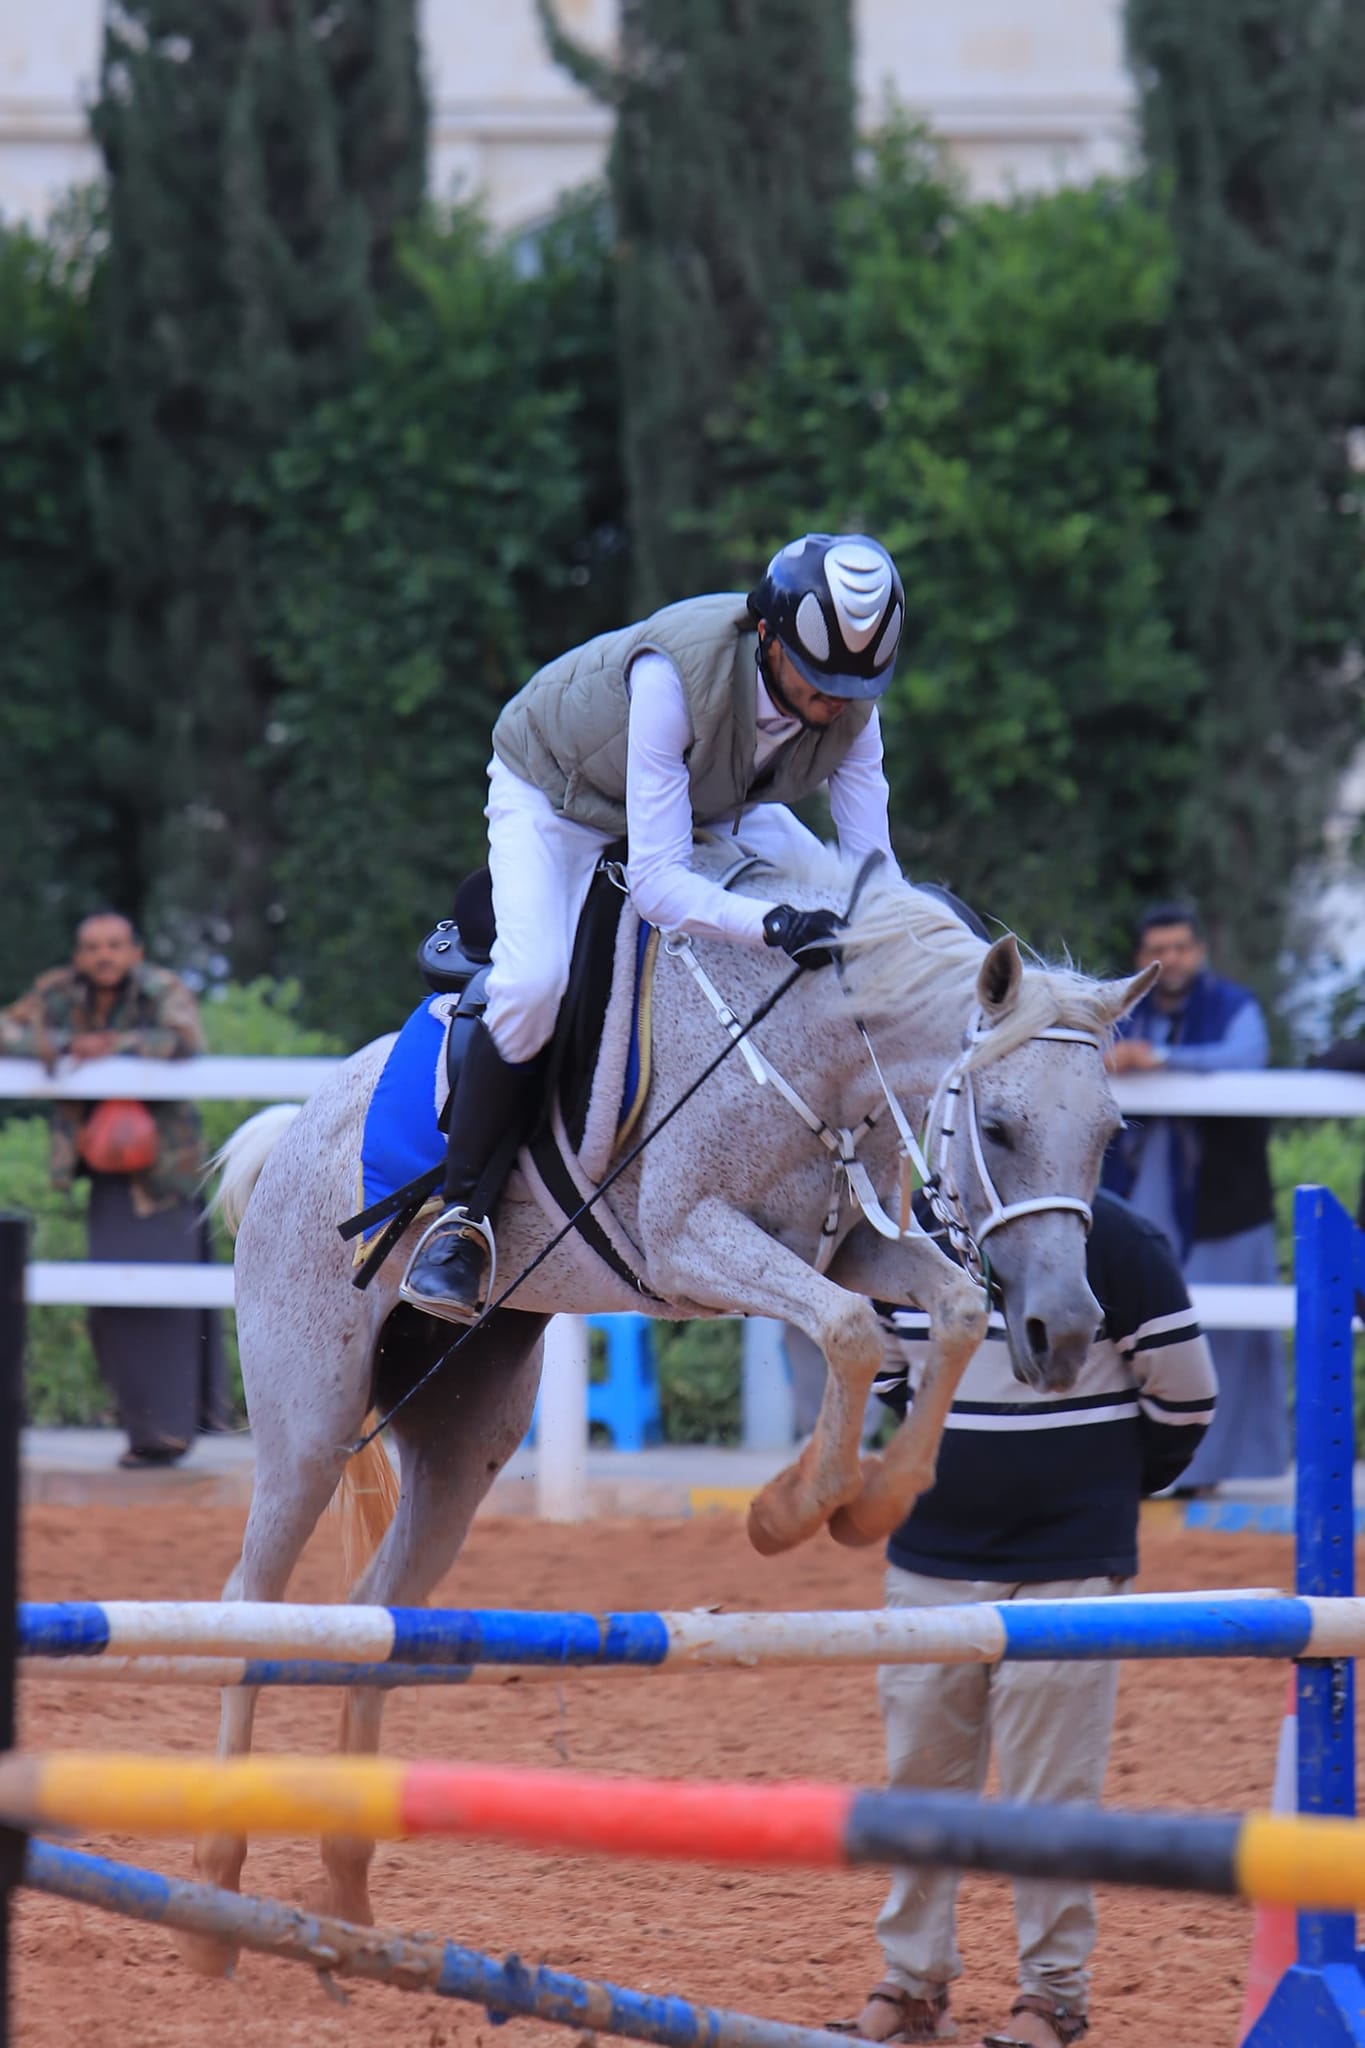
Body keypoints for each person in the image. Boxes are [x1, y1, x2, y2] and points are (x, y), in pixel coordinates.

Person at [402, 532, 905, 1323]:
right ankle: (461, 1219)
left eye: (853, 684)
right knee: (533, 984)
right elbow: (659, 883)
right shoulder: (674, 674)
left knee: (843, 908)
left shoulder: (852, 708)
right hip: (559, 799)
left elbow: (875, 880)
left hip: (713, 801)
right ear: (767, 636)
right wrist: (774, 922)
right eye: (816, 680)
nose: (833, 703)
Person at [839, 1190, 1216, 2048]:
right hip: (931, 1556)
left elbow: (1186, 1397)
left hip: (1069, 1566)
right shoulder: (907, 1241)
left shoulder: (1117, 1238)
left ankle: (1051, 1995)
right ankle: (911, 1983)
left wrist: (1098, 1495)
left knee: (1050, 1789)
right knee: (920, 1777)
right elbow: (892, 1371)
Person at [0, 911, 228, 1467]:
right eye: (92, 947)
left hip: (166, 1175)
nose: (104, 955)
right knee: (113, 1306)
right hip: (106, 1177)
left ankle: (174, 1434)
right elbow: (8, 1029)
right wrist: (62, 1044)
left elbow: (185, 1038)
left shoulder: (162, 988)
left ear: (134, 951)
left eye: (115, 945)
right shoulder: (59, 991)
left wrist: (115, 1045)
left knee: (171, 1303)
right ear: (79, 956)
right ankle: (142, 1434)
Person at [1101, 901, 1288, 1489]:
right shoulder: (1122, 1009)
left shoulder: (1234, 1006)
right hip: (1136, 1195)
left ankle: (1212, 1472)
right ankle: (1138, 1466)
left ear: (1199, 952)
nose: (1170, 960)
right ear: (1141, 959)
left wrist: (1160, 1061)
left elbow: (1248, 1056)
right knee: (1128, 1332)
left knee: (1226, 1336)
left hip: (1220, 1204)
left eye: (1180, 947)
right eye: (1157, 950)